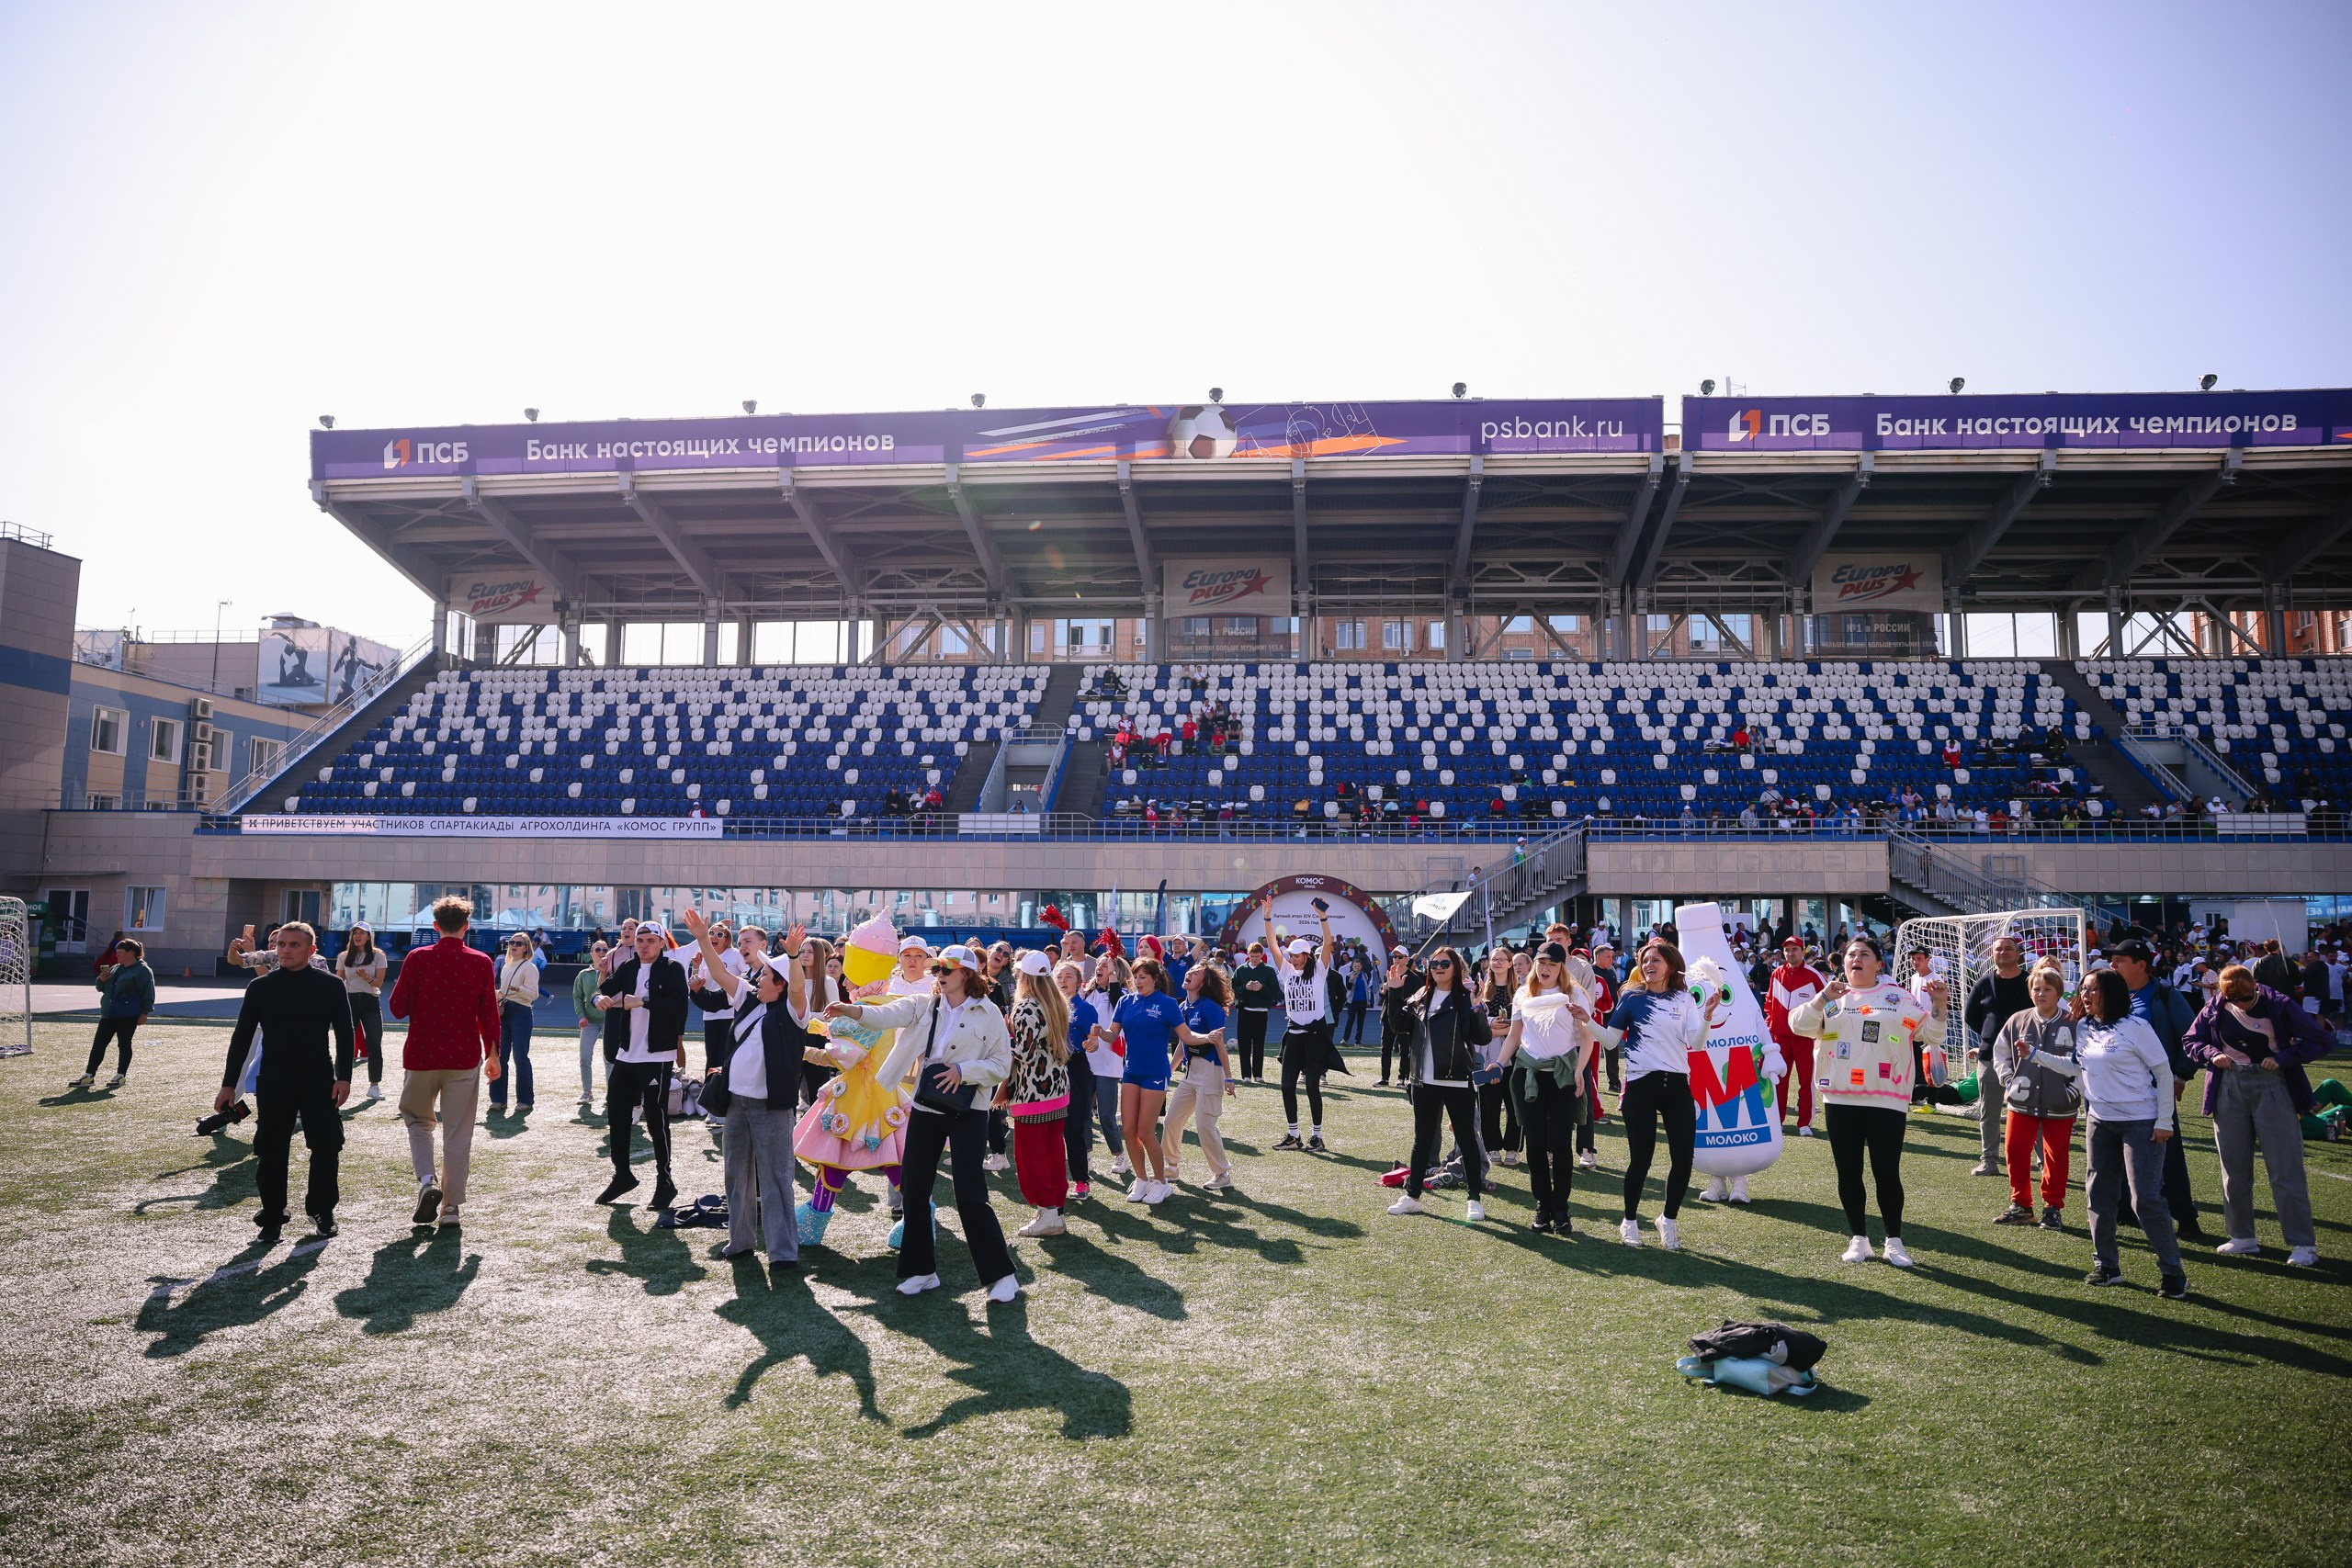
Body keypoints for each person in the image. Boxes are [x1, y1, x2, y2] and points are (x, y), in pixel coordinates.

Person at [823, 945, 1018, 1301]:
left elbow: (1001, 1065)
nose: (938, 974)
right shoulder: (925, 1004)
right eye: (936, 968)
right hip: (927, 1107)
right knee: (913, 1190)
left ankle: (1002, 1276)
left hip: (969, 1111)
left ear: (967, 974)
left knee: (970, 1195)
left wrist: (963, 1071)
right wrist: (850, 1009)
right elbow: (887, 1014)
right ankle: (921, 1271)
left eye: (946, 968)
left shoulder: (989, 1012)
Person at [1788, 933, 1945, 1267]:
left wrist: (1939, 1004)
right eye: (1850, 954)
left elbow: (1932, 1034)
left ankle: (1894, 1241)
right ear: (1843, 963)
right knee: (1848, 1172)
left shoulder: (1898, 998)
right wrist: (1821, 998)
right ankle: (1858, 1238)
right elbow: (1798, 1026)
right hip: (1840, 1098)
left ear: (1878, 964)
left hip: (1888, 1098)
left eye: (1863, 954)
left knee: (1887, 1172)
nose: (1855, 959)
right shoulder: (1833, 997)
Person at [682, 908, 806, 1269]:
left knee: (776, 1179)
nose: (758, 976)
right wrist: (703, 938)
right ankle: (740, 1241)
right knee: (736, 1175)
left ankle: (783, 1253)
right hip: (736, 1104)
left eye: (766, 974)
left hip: (771, 1108)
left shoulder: (793, 1011)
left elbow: (798, 987)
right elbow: (720, 973)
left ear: (780, 984)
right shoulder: (750, 997)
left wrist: (792, 956)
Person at [2184, 964, 2331, 1267]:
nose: (2239, 1004)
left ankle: (2303, 1243)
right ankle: (2241, 1236)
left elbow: (2321, 1039)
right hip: (2229, 1085)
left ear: (2255, 987)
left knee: (2285, 1169)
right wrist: (2213, 1054)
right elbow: (2192, 1040)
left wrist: (2285, 1058)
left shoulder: (2279, 1004)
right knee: (2233, 1170)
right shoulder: (2217, 1004)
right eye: (2232, 999)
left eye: (2246, 998)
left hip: (2272, 1086)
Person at [217, 922, 355, 1239]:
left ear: (311, 950)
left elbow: (345, 1034)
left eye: (294, 945)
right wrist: (228, 1084)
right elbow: (241, 1038)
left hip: (319, 1078)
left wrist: (344, 1078)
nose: (285, 950)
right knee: (271, 1149)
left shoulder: (331, 985)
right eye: (281, 944)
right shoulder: (261, 988)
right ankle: (273, 1215)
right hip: (274, 1078)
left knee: (326, 1145)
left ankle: (322, 1211)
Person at [386, 895, 503, 1227]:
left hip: (422, 1055)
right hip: (463, 1057)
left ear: (435, 926)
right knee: (458, 1133)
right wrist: (493, 1054)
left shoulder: (417, 958)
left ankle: (427, 1181)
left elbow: (397, 1008)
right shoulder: (481, 961)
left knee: (418, 1122)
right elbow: (489, 1014)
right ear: (467, 926)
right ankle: (451, 1208)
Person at [2075, 968, 2188, 1298]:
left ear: (2111, 993)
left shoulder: (2137, 1027)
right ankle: (2107, 1267)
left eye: (2093, 990)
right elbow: (2078, 1066)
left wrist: (2164, 1120)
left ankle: (2173, 1273)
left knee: (2145, 1200)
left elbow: (2163, 1073)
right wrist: (2035, 1056)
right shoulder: (2083, 1027)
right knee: (2098, 1193)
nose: (2086, 996)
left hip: (2141, 1121)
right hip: (2099, 1120)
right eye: (2083, 989)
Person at [1605, 941, 1722, 1249]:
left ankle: (1668, 1220)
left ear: (1670, 965)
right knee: (1640, 1160)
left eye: (1655, 960)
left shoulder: (1684, 998)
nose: (1648, 966)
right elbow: (1609, 1041)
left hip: (1677, 1087)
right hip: (1640, 1087)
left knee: (1683, 1159)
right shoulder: (1631, 997)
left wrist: (1708, 1015)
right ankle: (1629, 1221)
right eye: (1645, 961)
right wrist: (1584, 1018)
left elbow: (1697, 1043)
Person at [2107, 936, 2206, 1241]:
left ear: (2141, 965)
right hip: (2116, 1090)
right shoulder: (2111, 994)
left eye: (2120, 961)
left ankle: (2186, 1217)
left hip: (2154, 1089)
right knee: (2116, 1153)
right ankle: (2125, 1210)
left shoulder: (2163, 994)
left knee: (2168, 1155)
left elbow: (2191, 1037)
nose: (2112, 965)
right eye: (2112, 960)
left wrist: (2181, 1075)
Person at [1494, 942, 1595, 1235]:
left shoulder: (1574, 994)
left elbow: (1587, 1037)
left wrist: (1579, 1070)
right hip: (1528, 1075)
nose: (1545, 969)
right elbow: (1515, 1035)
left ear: (1561, 966)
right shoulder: (1524, 994)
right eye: (1541, 963)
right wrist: (1498, 1063)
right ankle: (1543, 1205)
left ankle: (1561, 1207)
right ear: (1535, 964)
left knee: (1561, 1143)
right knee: (1535, 1143)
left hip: (1563, 1076)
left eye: (1552, 964)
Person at [1387, 946, 1495, 1222]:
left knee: (1467, 1140)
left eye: (1445, 964)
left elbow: (1482, 1037)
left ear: (1456, 967)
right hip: (1423, 1081)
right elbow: (1398, 1026)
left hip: (1457, 1079)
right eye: (1434, 964)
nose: (1438, 968)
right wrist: (1395, 991)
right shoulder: (1420, 996)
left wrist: (1476, 1007)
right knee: (1422, 1140)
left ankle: (1474, 1199)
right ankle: (1412, 1197)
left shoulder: (1465, 997)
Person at [594, 920, 691, 1213]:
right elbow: (605, 988)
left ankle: (665, 1182)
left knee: (656, 1119)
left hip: (657, 1055)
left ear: (662, 943)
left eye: (650, 940)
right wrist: (599, 997)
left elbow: (679, 1006)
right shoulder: (628, 966)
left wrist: (644, 1002)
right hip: (627, 1054)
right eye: (640, 940)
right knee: (617, 1114)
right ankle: (622, 1175)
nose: (644, 945)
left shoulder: (672, 969)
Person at [1991, 964, 2084, 1230]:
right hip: (2021, 1102)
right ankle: (2021, 1205)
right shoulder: (2018, 1020)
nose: (2041, 993)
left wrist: (2073, 1090)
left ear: (2059, 992)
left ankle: (2052, 1208)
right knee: (2015, 1152)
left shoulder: (2075, 1023)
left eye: (2047, 989)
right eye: (2036, 988)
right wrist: (2009, 1082)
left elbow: (2085, 1064)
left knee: (2056, 1157)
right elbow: (2001, 1054)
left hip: (2060, 1104)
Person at [1004, 950, 1074, 1236]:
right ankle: (1055, 1210)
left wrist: (1002, 1037)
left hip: (1033, 1093)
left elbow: (1024, 1054)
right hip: (1057, 1089)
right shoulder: (1056, 1001)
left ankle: (1048, 1212)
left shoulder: (1026, 1007)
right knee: (1053, 1153)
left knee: (1031, 1158)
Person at [1108, 957, 1184, 1203]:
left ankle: (1161, 1182)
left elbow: (1186, 1036)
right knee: (1128, 1130)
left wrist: (1207, 1037)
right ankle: (1141, 1179)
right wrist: (1098, 1032)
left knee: (1145, 1131)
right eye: (1135, 977)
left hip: (1155, 1074)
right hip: (1131, 1072)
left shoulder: (1168, 1003)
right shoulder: (1125, 1001)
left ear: (1155, 979)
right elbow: (1112, 1034)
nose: (1138, 981)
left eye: (1143, 977)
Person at [1962, 935, 2033, 1176]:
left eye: (2008, 948)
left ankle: (2042, 1161)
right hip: (1990, 1057)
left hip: (2027, 1057)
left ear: (2018, 953)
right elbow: (1970, 1015)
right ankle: (1989, 1160)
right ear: (1992, 954)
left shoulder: (2031, 981)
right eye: (1998, 949)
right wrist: (1990, 1036)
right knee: (1989, 1111)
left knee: (2032, 1110)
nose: (2003, 952)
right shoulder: (1984, 983)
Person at [1162, 961, 1236, 1190]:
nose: (1190, 973)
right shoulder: (1183, 1006)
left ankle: (1222, 1173)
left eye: (1196, 973)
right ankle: (1171, 1166)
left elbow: (1219, 1044)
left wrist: (1228, 1076)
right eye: (1190, 970)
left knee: (1205, 1125)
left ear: (1203, 983)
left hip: (1211, 1071)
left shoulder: (1210, 1007)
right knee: (1172, 1119)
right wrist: (1170, 1070)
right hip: (1191, 1072)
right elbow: (1183, 1043)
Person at [1271, 905, 1340, 1151]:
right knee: (1286, 1086)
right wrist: (1267, 918)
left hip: (1315, 1036)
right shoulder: (1287, 972)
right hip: (1294, 1036)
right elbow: (1272, 945)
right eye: (1291, 955)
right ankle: (1293, 1135)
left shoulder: (1319, 971)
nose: (1293, 959)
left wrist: (1323, 917)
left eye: (1297, 955)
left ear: (1308, 955)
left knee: (1312, 1086)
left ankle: (1317, 1137)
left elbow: (1328, 943)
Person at [73, 937, 153, 1090]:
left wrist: (144, 1012)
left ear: (131, 953)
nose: (117, 955)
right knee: (98, 1044)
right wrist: (101, 980)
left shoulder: (143, 970)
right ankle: (89, 1075)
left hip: (127, 1014)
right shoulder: (116, 968)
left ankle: (120, 1075)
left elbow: (148, 993)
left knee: (124, 1044)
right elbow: (101, 988)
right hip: (108, 1013)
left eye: (120, 952)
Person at [1765, 936, 1824, 1137]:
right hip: (1780, 1038)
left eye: (1795, 949)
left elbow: (1827, 1002)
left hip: (1805, 1038)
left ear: (1802, 951)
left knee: (1806, 1082)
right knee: (1779, 1081)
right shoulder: (1776, 974)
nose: (1791, 953)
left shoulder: (1814, 975)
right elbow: (1769, 1002)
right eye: (1787, 950)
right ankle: (1777, 1121)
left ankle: (1804, 1123)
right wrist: (1770, 1025)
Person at [1055, 960, 1102, 1202]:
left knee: (1073, 1127)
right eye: (1059, 976)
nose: (1063, 980)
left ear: (1079, 982)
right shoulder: (1047, 1005)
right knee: (1051, 1129)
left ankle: (1081, 1181)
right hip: (1049, 1070)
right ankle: (1054, 1182)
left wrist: (1092, 1043)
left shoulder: (1085, 1009)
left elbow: (1093, 1041)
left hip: (1075, 1068)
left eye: (1069, 976)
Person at [1080, 954, 1128, 1174]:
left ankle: (1119, 1155)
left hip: (1108, 1062)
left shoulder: (1122, 995)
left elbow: (1117, 998)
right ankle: (1086, 1154)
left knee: (1106, 1114)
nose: (1100, 968)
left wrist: (1112, 974)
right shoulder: (1087, 993)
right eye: (1099, 965)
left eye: (1106, 966)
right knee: (1083, 1113)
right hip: (1086, 1060)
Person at [334, 925, 388, 1100]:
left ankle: (374, 1086)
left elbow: (378, 983)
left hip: (370, 1002)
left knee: (374, 1042)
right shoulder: (344, 956)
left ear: (368, 936)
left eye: (361, 933)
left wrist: (367, 978)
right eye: (355, 933)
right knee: (344, 1042)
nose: (357, 936)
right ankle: (338, 1082)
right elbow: (339, 979)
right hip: (350, 1001)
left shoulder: (378, 955)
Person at [492, 932, 542, 1112]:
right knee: (500, 1056)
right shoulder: (506, 966)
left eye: (519, 943)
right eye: (511, 942)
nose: (513, 945)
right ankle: (498, 1099)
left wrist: (519, 989)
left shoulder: (529, 967)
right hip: (504, 1011)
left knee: (520, 1057)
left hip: (521, 1012)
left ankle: (525, 1100)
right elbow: (504, 992)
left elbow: (533, 994)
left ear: (526, 948)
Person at [1232, 940, 1279, 1084]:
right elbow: (1234, 989)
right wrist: (1245, 988)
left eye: (1257, 956)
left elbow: (1275, 991)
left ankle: (1258, 1075)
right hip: (1244, 1011)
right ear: (1248, 955)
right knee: (1244, 1044)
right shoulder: (1241, 970)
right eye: (1252, 956)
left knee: (1259, 1044)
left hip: (1261, 1012)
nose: (1254, 959)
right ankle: (1246, 1075)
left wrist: (1262, 988)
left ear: (1261, 955)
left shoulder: (1268, 970)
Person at [571, 940, 609, 1108]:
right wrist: (581, 1016)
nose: (601, 952)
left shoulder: (613, 971)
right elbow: (577, 997)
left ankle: (611, 1093)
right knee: (585, 1057)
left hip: (610, 1020)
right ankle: (587, 1092)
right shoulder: (583, 975)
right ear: (592, 954)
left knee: (609, 1058)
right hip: (589, 1022)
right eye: (598, 949)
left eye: (605, 950)